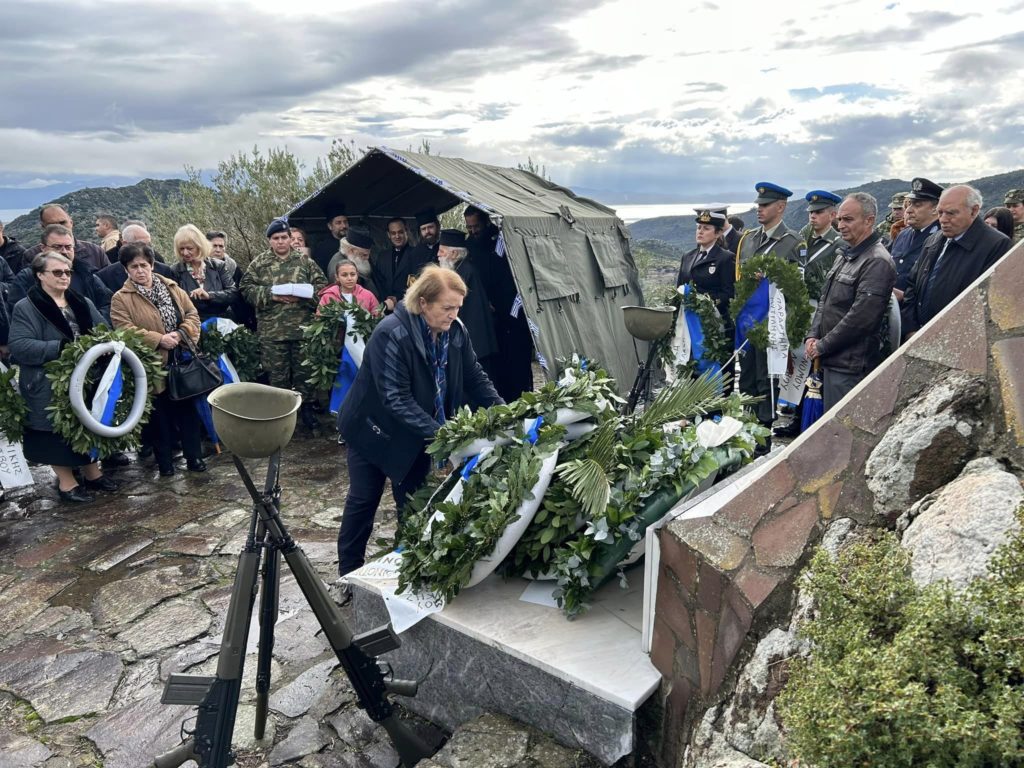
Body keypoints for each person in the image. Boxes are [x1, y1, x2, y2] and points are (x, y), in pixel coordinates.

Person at [336, 265, 503, 577]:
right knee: (363, 500)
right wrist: (445, 435)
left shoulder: (455, 331)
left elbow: (474, 376)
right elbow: (395, 398)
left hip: (414, 434)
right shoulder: (392, 333)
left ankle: (408, 566)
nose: (453, 314)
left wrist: (503, 412)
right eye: (447, 307)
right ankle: (348, 574)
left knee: (412, 504)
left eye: (457, 308)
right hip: (372, 429)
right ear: (424, 302)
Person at [7, 252, 119, 502]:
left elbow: (104, 330)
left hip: (85, 378)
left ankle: (93, 474)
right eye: (57, 272)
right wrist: (60, 347)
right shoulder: (27, 307)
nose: (64, 276)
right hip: (48, 382)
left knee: (87, 426)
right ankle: (67, 485)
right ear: (40, 275)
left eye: (67, 272)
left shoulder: (81, 302)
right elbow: (19, 345)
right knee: (56, 434)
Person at [111, 243, 206, 476]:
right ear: (126, 270)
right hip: (150, 366)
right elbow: (124, 329)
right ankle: (166, 465)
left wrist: (181, 332)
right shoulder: (121, 299)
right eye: (134, 266)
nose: (140, 270)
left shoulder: (172, 287)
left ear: (152, 265)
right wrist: (157, 339)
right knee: (159, 418)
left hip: (180, 359)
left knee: (187, 412)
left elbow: (192, 313)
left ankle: (194, 458)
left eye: (144, 265)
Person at [804, 193, 897, 412]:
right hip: (829, 360)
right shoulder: (845, 255)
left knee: (839, 434)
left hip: (849, 366)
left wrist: (821, 346)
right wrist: (812, 335)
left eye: (849, 220)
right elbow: (824, 301)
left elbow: (861, 319)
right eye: (840, 219)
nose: (841, 225)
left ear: (869, 220)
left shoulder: (877, 261)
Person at [240, 218, 327, 431]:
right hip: (272, 332)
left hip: (302, 329)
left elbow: (323, 288)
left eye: (284, 237)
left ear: (290, 239)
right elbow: (245, 289)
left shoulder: (305, 262)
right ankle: (281, 416)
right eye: (276, 238)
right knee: (277, 376)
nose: (280, 242)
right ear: (270, 241)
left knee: (304, 374)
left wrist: (304, 296)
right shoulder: (259, 264)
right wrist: (271, 295)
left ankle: (306, 410)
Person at [734, 182, 802, 447]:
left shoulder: (793, 243)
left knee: (767, 385)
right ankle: (746, 438)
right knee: (748, 381)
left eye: (764, 205)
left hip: (773, 329)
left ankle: (761, 445)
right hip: (749, 326)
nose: (759, 209)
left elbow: (797, 289)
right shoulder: (749, 240)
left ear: (781, 207)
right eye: (758, 205)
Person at [901, 185, 1011, 340]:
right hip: (917, 337)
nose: (943, 219)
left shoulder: (996, 245)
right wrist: (910, 329)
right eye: (940, 212)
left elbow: (987, 305)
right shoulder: (933, 240)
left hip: (956, 341)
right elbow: (912, 286)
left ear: (974, 211)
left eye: (951, 213)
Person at [464, 206, 533, 403]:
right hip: (489, 318)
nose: (473, 231)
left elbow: (515, 280)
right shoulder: (470, 246)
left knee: (517, 366)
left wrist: (508, 311)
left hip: (512, 316)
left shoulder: (502, 242)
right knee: (499, 368)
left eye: (476, 226)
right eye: (469, 227)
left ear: (486, 223)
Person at [7, 224, 112, 321]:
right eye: (57, 247)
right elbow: (18, 314)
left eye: (68, 247)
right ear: (43, 248)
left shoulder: (87, 274)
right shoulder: (28, 277)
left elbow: (108, 304)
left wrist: (89, 323)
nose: (64, 251)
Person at [437, 228, 499, 374]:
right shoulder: (459, 269)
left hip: (475, 341)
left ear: (454, 253)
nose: (438, 255)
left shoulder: (465, 272)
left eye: (442, 251)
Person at [169, 225, 238, 322]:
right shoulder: (175, 271)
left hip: (222, 323)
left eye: (189, 248)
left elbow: (233, 294)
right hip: (192, 325)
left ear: (199, 246)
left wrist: (209, 295)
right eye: (181, 249)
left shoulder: (218, 266)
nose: (185, 253)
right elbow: (175, 304)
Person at [889, 177, 942, 302]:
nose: (908, 210)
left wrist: (904, 296)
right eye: (910, 204)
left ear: (935, 209)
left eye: (917, 205)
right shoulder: (903, 234)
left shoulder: (942, 240)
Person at [676, 209, 735, 321]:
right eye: (699, 227)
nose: (700, 231)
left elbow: (728, 294)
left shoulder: (725, 258)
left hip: (713, 320)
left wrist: (702, 302)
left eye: (706, 228)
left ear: (718, 233)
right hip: (687, 318)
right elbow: (679, 287)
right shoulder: (687, 256)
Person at [22, 205, 109, 270]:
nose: (59, 227)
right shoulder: (31, 256)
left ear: (71, 222)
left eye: (63, 222)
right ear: (43, 227)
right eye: (52, 224)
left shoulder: (95, 252)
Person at [96, 223, 174, 293]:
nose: (146, 249)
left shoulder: (164, 271)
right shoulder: (105, 276)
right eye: (141, 244)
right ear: (125, 244)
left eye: (148, 244)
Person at [373, 217, 431, 312]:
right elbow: (378, 282)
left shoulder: (417, 254)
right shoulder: (382, 256)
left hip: (407, 308)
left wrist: (397, 298)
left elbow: (418, 283)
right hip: (385, 308)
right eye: (393, 233)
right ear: (388, 235)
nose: (397, 236)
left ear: (406, 231)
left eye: (400, 232)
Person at [800, 190, 844, 300]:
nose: (813, 216)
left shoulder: (839, 245)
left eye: (818, 212)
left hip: (821, 303)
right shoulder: (803, 237)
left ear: (832, 215)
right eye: (811, 212)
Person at [327, 229, 380, 298]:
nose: (367, 258)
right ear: (351, 250)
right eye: (364, 255)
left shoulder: (357, 258)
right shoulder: (337, 265)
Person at [312, 205, 349, 277]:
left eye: (345, 222)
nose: (344, 226)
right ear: (330, 226)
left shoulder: (354, 243)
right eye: (338, 223)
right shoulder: (322, 248)